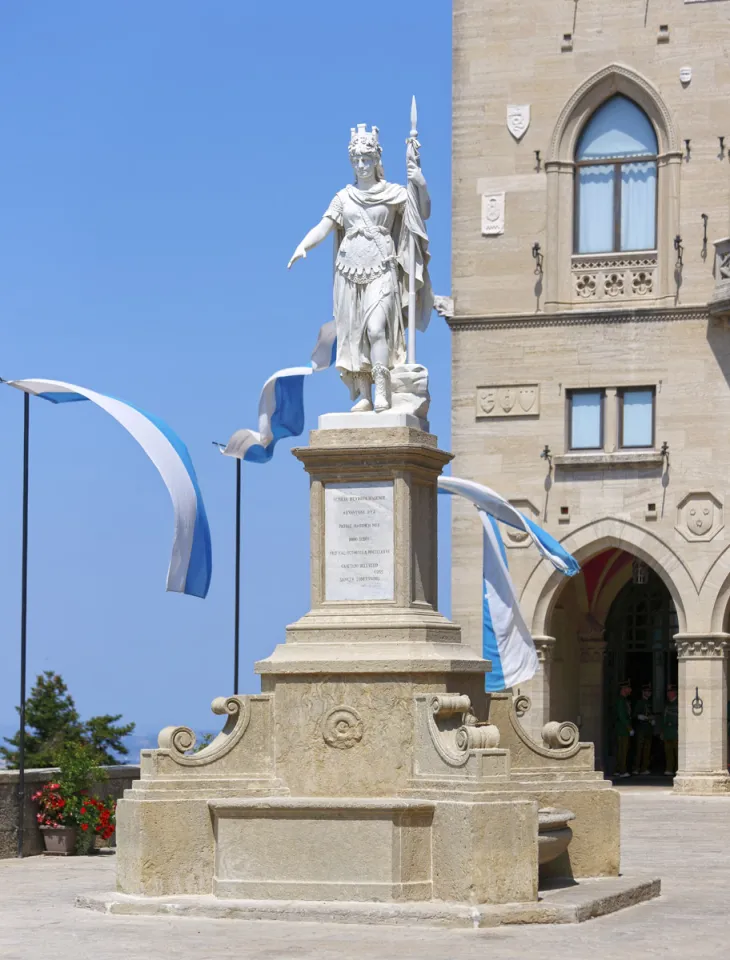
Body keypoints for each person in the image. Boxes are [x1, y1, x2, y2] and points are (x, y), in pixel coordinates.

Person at [287, 124, 432, 413]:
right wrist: (303, 245)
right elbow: (324, 226)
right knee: (354, 334)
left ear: (377, 160)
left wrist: (420, 182)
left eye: (367, 159)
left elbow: (422, 212)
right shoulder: (344, 197)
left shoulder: (394, 193)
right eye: (357, 160)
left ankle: (383, 389)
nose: (362, 165)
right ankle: (364, 394)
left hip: (382, 268)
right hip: (349, 272)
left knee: (376, 328)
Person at [633, 683, 655, 775]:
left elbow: (651, 714)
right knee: (639, 750)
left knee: (647, 750)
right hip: (641, 729)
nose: (649, 693)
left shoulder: (650, 703)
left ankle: (644, 768)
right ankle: (636, 768)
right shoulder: (640, 702)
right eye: (647, 691)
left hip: (648, 729)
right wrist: (640, 717)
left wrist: (652, 719)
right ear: (643, 692)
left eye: (649, 691)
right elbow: (634, 715)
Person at [614, 680, 633, 778]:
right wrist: (629, 728)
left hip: (623, 728)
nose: (630, 690)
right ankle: (622, 770)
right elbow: (622, 716)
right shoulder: (621, 701)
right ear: (624, 689)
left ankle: (618, 769)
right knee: (622, 750)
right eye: (628, 688)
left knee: (621, 750)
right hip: (622, 729)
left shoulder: (624, 700)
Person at [662, 684, 678, 776]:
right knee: (668, 752)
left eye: (670, 691)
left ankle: (677, 769)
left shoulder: (678, 703)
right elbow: (664, 718)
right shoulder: (667, 704)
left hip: (675, 731)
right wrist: (662, 731)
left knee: (677, 752)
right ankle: (669, 768)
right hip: (667, 731)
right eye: (668, 692)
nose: (669, 693)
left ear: (675, 692)